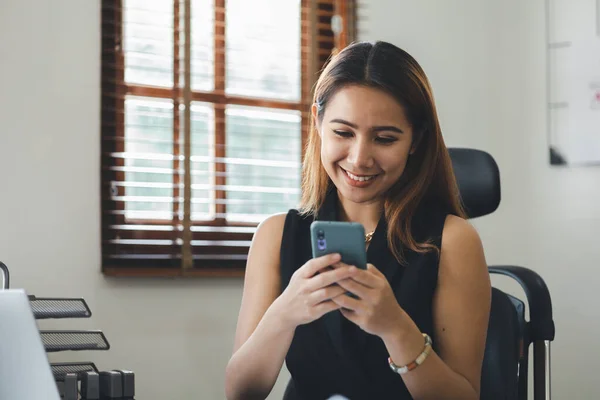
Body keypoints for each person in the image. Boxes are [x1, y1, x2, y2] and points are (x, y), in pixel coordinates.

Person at [225, 40, 491, 400]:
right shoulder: (275, 235)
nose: (360, 158)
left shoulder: (453, 241)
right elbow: (240, 392)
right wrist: (285, 313)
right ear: (318, 123)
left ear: (416, 140)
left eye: (384, 138)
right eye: (343, 133)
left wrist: (396, 328)